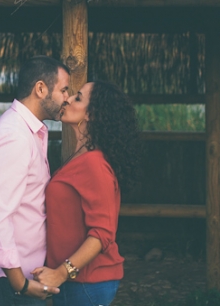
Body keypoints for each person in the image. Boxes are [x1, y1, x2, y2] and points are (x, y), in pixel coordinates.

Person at [0, 56, 71, 305]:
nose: (67, 98)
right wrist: (21, 284)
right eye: (63, 90)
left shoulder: (28, 132)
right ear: (40, 89)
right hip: (9, 281)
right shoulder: (14, 137)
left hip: (20, 276)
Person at [32, 80, 140, 306]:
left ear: (92, 114)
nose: (68, 99)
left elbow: (102, 233)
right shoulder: (83, 156)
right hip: (77, 282)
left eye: (78, 97)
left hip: (87, 283)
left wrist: (60, 273)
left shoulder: (94, 164)